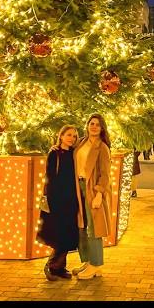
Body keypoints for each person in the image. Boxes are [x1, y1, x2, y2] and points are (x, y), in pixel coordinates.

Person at [36, 125, 80, 281]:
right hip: (58, 199)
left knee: (68, 234)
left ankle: (60, 267)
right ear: (61, 136)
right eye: (68, 135)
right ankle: (52, 265)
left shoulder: (74, 153)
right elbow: (50, 178)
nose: (72, 138)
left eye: (74, 136)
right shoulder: (55, 153)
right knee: (59, 235)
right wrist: (51, 200)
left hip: (72, 199)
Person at [72, 114, 112, 280]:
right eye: (91, 123)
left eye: (98, 125)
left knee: (94, 229)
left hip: (92, 189)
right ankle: (89, 262)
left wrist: (99, 194)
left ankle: (96, 265)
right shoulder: (80, 142)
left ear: (102, 128)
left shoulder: (102, 147)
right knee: (82, 226)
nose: (94, 127)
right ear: (87, 125)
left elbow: (105, 174)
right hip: (77, 187)